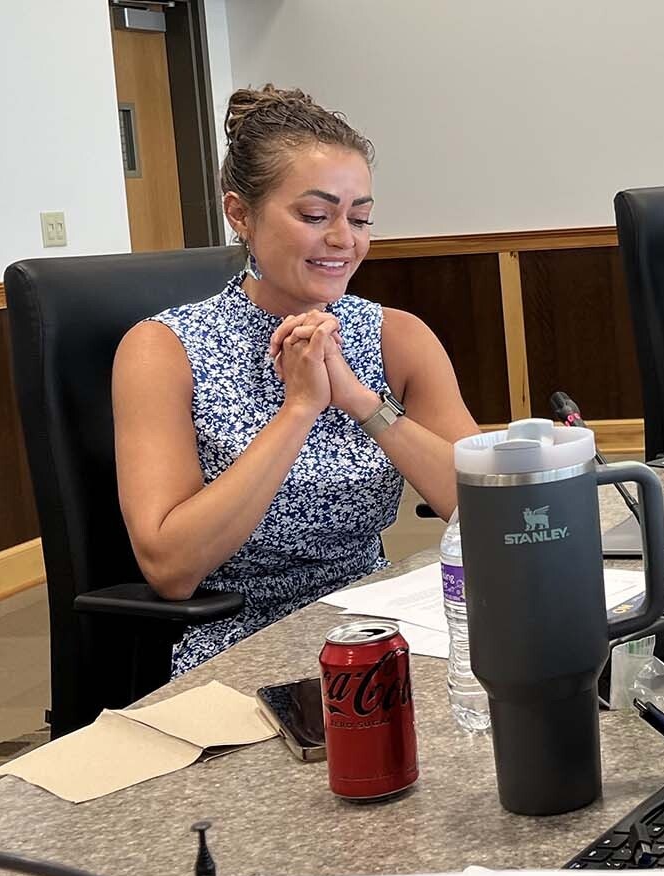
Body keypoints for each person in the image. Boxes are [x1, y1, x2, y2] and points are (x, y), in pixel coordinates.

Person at [112, 86, 480, 674]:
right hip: (238, 642)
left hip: (382, 623)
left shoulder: (397, 337)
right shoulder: (163, 350)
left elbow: (482, 510)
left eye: (360, 218)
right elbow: (172, 568)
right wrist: (298, 411)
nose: (343, 239)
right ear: (240, 214)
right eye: (315, 215)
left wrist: (363, 402)